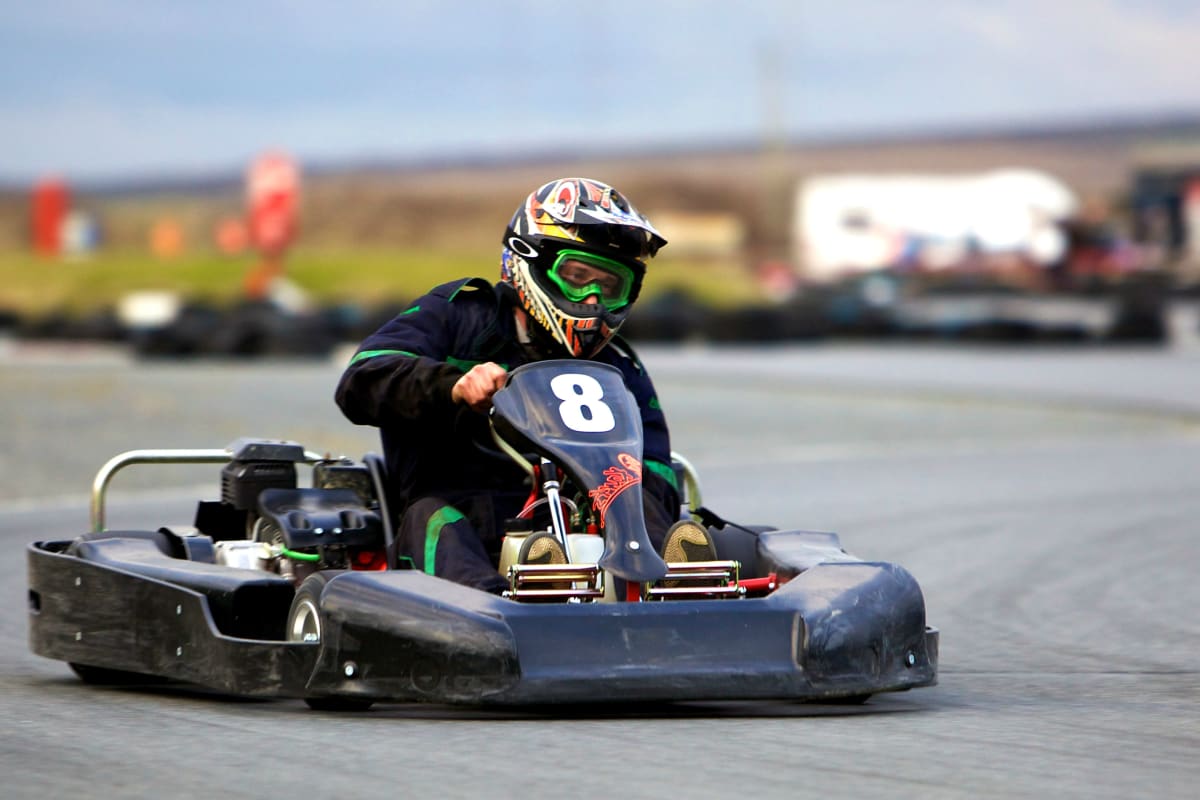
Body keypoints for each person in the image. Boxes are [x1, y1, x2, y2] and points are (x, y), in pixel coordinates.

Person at [335, 177, 715, 594]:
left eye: (609, 287)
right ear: (529, 260)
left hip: (583, 523)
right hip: (465, 517)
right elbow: (361, 380)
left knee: (644, 494)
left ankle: (674, 582)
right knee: (435, 519)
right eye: (577, 276)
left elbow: (656, 465)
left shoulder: (620, 367)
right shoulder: (458, 316)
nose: (592, 300)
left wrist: (631, 505)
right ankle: (500, 610)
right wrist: (453, 386)